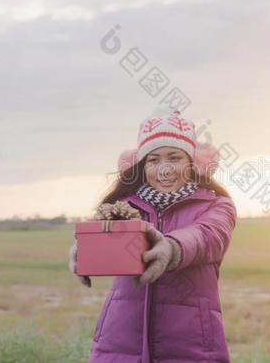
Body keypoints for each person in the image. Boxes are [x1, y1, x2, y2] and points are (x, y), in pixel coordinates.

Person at [69, 106, 236, 362]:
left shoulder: (217, 206)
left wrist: (171, 247)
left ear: (192, 162)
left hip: (191, 346)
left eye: (174, 157)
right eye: (154, 160)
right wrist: (83, 250)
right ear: (142, 165)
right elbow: (100, 237)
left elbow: (207, 236)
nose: (164, 169)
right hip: (121, 342)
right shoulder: (125, 207)